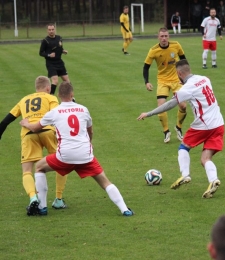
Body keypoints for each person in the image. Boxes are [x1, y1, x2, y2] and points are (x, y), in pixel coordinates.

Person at [19, 82, 134, 217]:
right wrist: (89, 144)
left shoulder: (54, 112)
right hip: (85, 154)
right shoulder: (83, 109)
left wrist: (26, 123)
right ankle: (125, 209)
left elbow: (35, 128)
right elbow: (90, 131)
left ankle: (42, 207)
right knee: (105, 182)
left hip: (64, 156)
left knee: (39, 167)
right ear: (72, 94)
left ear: (58, 95)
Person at [138, 59, 224, 198]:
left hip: (203, 125)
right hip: (218, 123)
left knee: (183, 147)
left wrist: (148, 113)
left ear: (179, 73)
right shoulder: (203, 78)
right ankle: (214, 180)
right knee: (205, 159)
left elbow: (170, 104)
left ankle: (185, 175)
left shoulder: (187, 88)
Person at [0, 76, 67, 216]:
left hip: (28, 134)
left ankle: (33, 197)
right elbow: (57, 115)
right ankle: (59, 199)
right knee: (61, 164)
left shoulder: (24, 100)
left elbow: (6, 121)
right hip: (48, 131)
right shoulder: (50, 98)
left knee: (27, 170)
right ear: (48, 88)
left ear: (36, 87)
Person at [143, 27, 187, 143]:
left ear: (169, 36)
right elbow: (146, 67)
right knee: (161, 107)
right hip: (162, 81)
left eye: (166, 36)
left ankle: (178, 128)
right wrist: (147, 82)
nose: (164, 38)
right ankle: (166, 131)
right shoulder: (153, 50)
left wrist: (186, 78)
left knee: (183, 106)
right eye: (161, 36)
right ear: (158, 37)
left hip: (176, 80)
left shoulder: (176, 45)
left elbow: (184, 61)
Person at [39, 23, 71, 96]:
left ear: (55, 30)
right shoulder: (45, 41)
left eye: (52, 29)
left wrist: (62, 51)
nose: (51, 31)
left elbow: (59, 47)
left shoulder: (59, 38)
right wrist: (49, 55)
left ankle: (71, 97)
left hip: (59, 62)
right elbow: (41, 53)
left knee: (67, 81)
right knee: (55, 81)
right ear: (47, 31)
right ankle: (51, 96)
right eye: (49, 30)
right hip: (51, 63)